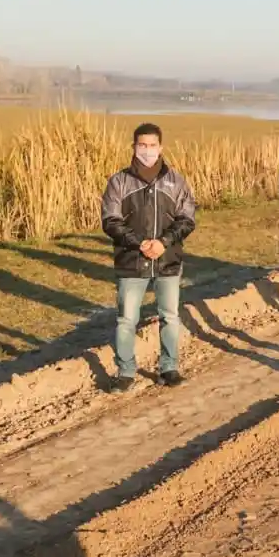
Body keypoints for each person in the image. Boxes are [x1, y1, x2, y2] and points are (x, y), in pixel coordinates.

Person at [101, 122, 197, 392]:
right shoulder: (118, 182)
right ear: (133, 147)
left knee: (169, 316)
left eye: (152, 145)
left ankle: (169, 368)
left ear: (161, 147)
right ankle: (126, 372)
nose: (147, 150)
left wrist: (164, 242)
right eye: (142, 145)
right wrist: (139, 243)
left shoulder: (176, 181)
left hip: (168, 261)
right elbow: (110, 220)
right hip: (131, 261)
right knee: (126, 320)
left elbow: (187, 219)